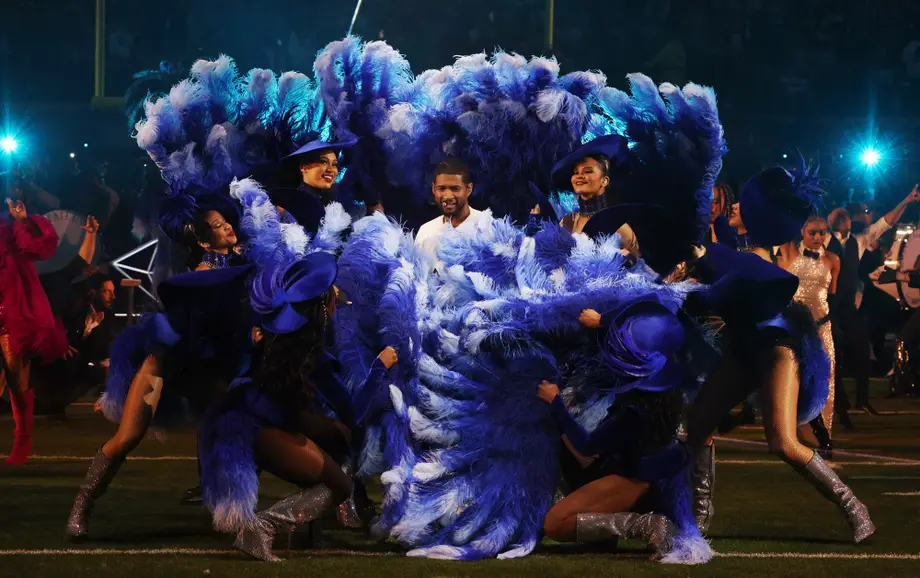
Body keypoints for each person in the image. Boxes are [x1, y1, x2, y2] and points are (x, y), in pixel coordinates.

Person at [684, 165, 875, 544]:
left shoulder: (757, 257)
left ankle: (854, 506)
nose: (732, 205)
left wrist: (697, 268)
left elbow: (726, 282)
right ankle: (700, 517)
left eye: (742, 202)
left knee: (784, 443)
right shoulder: (735, 247)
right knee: (696, 427)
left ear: (761, 215)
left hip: (775, 351)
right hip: (741, 350)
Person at [66, 194, 250, 540]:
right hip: (166, 363)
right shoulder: (200, 276)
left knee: (226, 430)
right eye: (215, 225)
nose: (226, 225)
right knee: (128, 436)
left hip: (206, 368)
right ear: (201, 239)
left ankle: (226, 510)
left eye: (226, 220)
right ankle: (83, 503)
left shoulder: (244, 263)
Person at [199, 253, 396, 561]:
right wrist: (378, 369)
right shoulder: (311, 354)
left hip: (243, 421)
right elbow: (354, 413)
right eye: (332, 294)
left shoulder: (279, 338)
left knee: (338, 442)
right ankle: (262, 526)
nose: (337, 298)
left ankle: (302, 531)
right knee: (341, 483)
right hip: (258, 429)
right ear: (323, 308)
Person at [537, 302, 691, 559]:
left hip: (638, 478)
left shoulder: (636, 408)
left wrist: (556, 403)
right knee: (563, 440)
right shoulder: (665, 373)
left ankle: (643, 524)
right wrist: (602, 320)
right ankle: (604, 534)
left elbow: (587, 445)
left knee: (556, 523)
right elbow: (649, 306)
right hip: (656, 470)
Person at [827, 188, 919, 416]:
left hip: (848, 305)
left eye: (845, 215)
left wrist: (906, 200)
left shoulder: (858, 240)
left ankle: (862, 400)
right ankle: (838, 399)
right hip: (827, 304)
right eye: (837, 215)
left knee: (861, 350)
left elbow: (885, 222)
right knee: (833, 353)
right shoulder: (822, 239)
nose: (842, 218)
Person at [1, 196, 69, 465]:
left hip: (16, 307)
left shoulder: (14, 226)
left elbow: (42, 249)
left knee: (16, 379)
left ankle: (22, 441)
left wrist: (22, 221)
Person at [778, 214, 840, 457]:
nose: (817, 237)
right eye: (812, 232)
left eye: (822, 232)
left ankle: (824, 437)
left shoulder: (833, 259)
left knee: (826, 381)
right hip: (795, 328)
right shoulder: (789, 253)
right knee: (796, 378)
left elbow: (831, 293)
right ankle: (797, 432)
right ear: (802, 231)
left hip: (823, 327)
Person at [547, 135, 639, 256]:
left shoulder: (618, 226)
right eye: (576, 172)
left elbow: (638, 265)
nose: (579, 176)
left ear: (604, 180)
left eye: (588, 171)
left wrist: (622, 260)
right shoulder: (568, 221)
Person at [414, 158, 490, 262]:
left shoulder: (487, 228)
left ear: (468, 189)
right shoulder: (426, 231)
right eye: (441, 189)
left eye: (455, 189)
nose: (448, 196)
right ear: (433, 189)